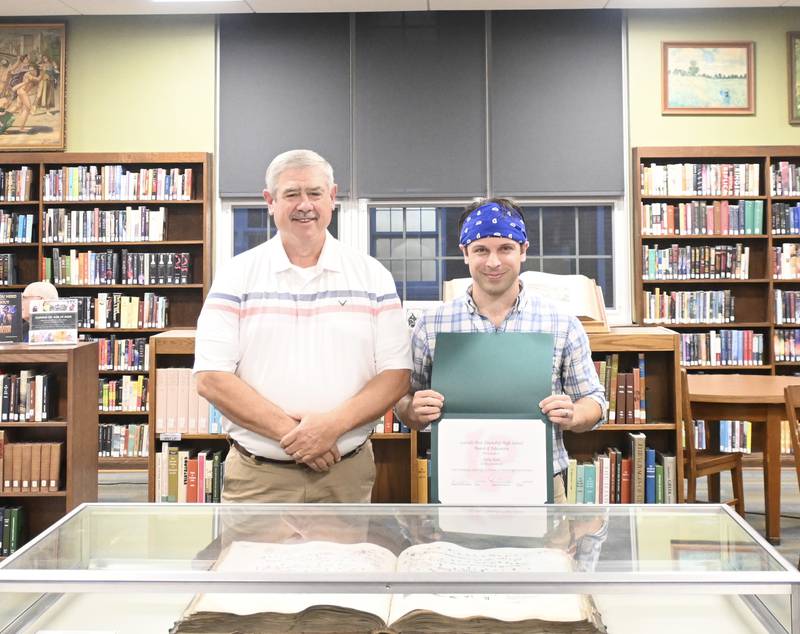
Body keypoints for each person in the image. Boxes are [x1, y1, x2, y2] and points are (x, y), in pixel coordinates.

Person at [194, 149, 412, 504]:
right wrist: (299, 437)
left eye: (315, 193)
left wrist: (331, 427)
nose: (305, 205)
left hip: (344, 473)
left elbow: (396, 375)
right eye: (292, 194)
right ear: (270, 201)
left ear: (333, 197)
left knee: (346, 561)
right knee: (249, 561)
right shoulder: (237, 274)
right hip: (259, 477)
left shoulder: (372, 275)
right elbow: (211, 377)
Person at [393, 197, 607, 503]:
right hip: (459, 490)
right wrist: (412, 410)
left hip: (539, 489)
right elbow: (403, 400)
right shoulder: (431, 325)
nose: (493, 262)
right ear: (465, 253)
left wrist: (575, 414)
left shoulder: (562, 323)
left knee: (548, 554)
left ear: (523, 251)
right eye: (481, 250)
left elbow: (595, 401)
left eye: (505, 248)